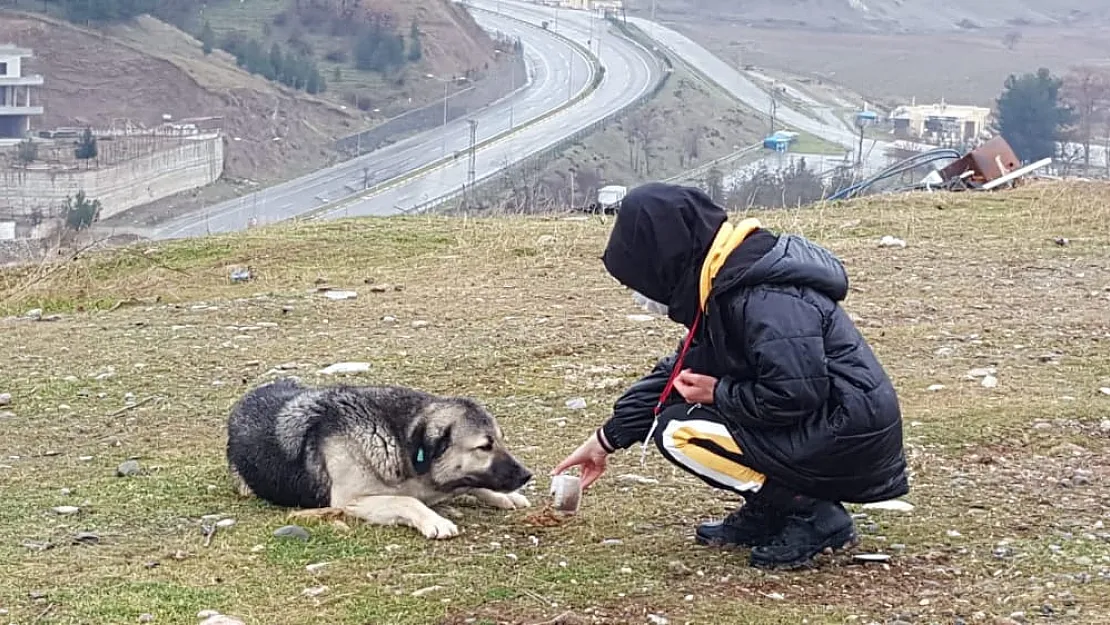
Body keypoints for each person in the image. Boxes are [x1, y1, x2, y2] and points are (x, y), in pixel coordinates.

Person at [552, 182, 909, 570]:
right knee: (678, 415)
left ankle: (813, 514)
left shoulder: (759, 297)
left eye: (640, 277)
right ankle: (770, 510)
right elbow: (678, 374)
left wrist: (719, 393)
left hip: (847, 435)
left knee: (679, 432)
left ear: (665, 258)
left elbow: (796, 394)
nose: (641, 293)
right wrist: (605, 440)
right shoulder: (723, 282)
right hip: (832, 424)